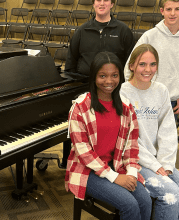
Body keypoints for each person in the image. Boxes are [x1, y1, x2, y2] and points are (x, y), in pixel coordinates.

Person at [65, 51, 152, 220]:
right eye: (102, 76)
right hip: (87, 171)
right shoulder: (80, 107)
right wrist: (115, 177)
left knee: (145, 200)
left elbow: (131, 146)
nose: (109, 81)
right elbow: (84, 153)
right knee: (129, 205)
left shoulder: (126, 107)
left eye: (114, 75)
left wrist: (131, 173)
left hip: (116, 164)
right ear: (94, 77)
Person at [120, 44, 179, 220]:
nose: (148, 70)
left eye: (153, 64)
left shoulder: (161, 90)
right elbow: (128, 140)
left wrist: (166, 164)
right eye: (142, 64)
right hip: (134, 159)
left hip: (158, 159)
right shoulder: (123, 92)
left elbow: (167, 130)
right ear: (131, 66)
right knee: (170, 194)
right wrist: (155, 166)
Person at [123, 0, 179, 122]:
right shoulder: (150, 36)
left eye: (177, 9)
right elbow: (131, 66)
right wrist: (133, 94)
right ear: (162, 11)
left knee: (166, 140)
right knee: (140, 139)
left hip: (172, 102)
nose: (172, 13)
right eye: (168, 9)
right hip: (145, 99)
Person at [65, 0, 135, 77]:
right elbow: (71, 62)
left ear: (112, 4)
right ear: (93, 4)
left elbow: (131, 62)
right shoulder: (82, 31)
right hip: (85, 83)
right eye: (98, 0)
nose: (102, 3)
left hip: (114, 84)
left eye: (105, 0)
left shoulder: (123, 30)